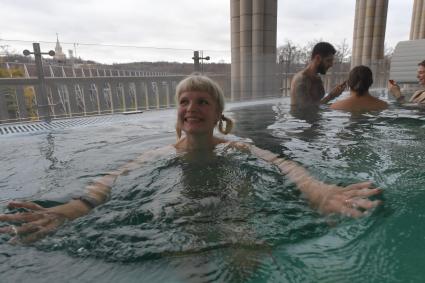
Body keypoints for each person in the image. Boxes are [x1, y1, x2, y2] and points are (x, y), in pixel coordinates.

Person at [0, 75, 382, 244]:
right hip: (181, 217)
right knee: (190, 247)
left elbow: (285, 166)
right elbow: (107, 185)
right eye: (184, 101)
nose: (191, 107)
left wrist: (317, 192)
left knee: (243, 241)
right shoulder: (158, 155)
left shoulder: (237, 147)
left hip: (237, 212)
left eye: (202, 101)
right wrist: (66, 210)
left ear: (218, 114)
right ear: (178, 114)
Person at [290, 42, 347, 109]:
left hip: (316, 118)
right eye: (328, 60)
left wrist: (333, 95)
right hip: (299, 119)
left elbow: (316, 105)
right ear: (318, 58)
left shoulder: (317, 78)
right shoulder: (301, 80)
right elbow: (305, 110)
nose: (331, 64)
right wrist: (331, 96)